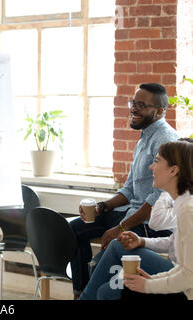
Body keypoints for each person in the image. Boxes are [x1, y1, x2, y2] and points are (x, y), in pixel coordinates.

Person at [70, 83, 179, 298]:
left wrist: (121, 227)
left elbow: (156, 199)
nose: (133, 108)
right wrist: (102, 206)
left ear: (158, 111)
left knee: (103, 260)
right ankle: (80, 291)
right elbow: (129, 188)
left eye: (141, 104)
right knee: (74, 229)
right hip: (131, 214)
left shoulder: (165, 139)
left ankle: (94, 287)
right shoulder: (144, 138)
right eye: (133, 102)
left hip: (147, 224)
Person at [79, 139, 192, 300]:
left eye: (157, 161)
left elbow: (189, 275)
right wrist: (142, 242)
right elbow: (174, 243)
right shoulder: (184, 206)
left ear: (174, 170)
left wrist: (148, 285)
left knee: (114, 254)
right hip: (177, 275)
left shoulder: (188, 210)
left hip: (184, 290)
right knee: (104, 291)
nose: (151, 167)